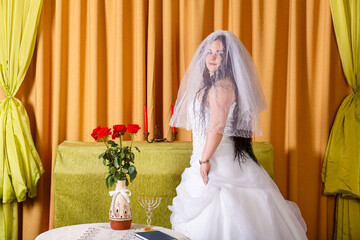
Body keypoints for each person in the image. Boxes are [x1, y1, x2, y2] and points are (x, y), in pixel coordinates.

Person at [168, 30, 307, 240]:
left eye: (220, 53)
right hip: (212, 158)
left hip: (218, 163)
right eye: (210, 52)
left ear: (229, 60)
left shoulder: (221, 87)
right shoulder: (216, 85)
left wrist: (204, 160)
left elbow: (216, 126)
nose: (213, 57)